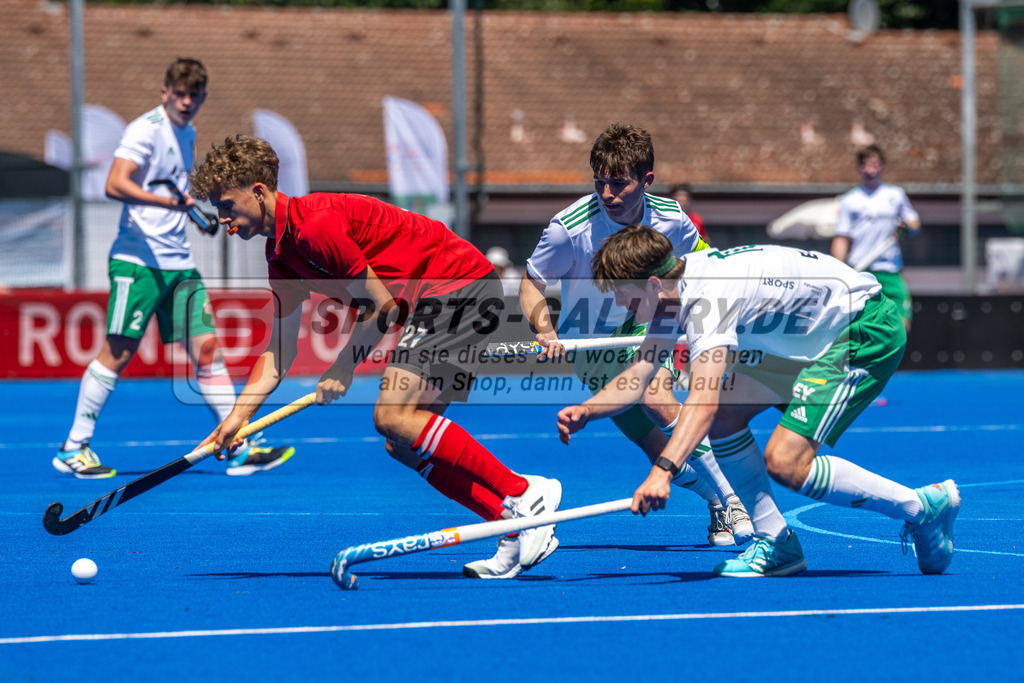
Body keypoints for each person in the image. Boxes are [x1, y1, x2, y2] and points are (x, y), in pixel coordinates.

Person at [189, 134, 561, 580]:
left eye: (227, 205)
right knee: (401, 443)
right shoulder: (281, 255)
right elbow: (281, 348)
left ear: (258, 191)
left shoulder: (315, 227)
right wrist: (236, 420)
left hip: (455, 287)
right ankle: (513, 524)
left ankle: (523, 492)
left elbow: (386, 308)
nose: (223, 219)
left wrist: (343, 367)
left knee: (392, 416)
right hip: (443, 296)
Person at [557, 225, 960, 577]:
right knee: (727, 420)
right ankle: (777, 545)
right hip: (803, 340)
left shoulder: (705, 301)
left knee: (786, 461)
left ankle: (921, 507)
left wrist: (663, 471)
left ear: (652, 284)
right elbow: (642, 371)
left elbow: (702, 401)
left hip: (860, 331)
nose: (621, 307)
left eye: (623, 296)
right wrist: (588, 411)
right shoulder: (674, 290)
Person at [54, 58, 293, 479]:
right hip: (139, 262)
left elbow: (172, 191)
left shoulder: (187, 133)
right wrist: (169, 204)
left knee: (207, 351)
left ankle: (236, 445)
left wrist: (187, 213)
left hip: (179, 264)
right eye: (179, 93)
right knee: (119, 351)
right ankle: (74, 446)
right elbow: (115, 183)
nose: (186, 102)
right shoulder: (144, 130)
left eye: (194, 95)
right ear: (165, 92)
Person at [520, 122, 753, 547]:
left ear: (645, 180)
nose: (607, 193)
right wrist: (545, 329)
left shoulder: (671, 218)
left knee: (655, 397)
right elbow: (531, 283)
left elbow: (705, 263)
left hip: (646, 323)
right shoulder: (567, 229)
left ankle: (736, 498)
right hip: (590, 343)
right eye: (599, 181)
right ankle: (717, 499)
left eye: (618, 183)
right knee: (656, 450)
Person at [831, 145, 920, 331]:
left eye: (874, 165)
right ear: (859, 168)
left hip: (890, 270)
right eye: (865, 165)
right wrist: (839, 272)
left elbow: (914, 224)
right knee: (859, 326)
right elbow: (841, 238)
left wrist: (906, 227)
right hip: (861, 271)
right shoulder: (849, 200)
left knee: (902, 325)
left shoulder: (895, 195)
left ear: (882, 166)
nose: (870, 170)